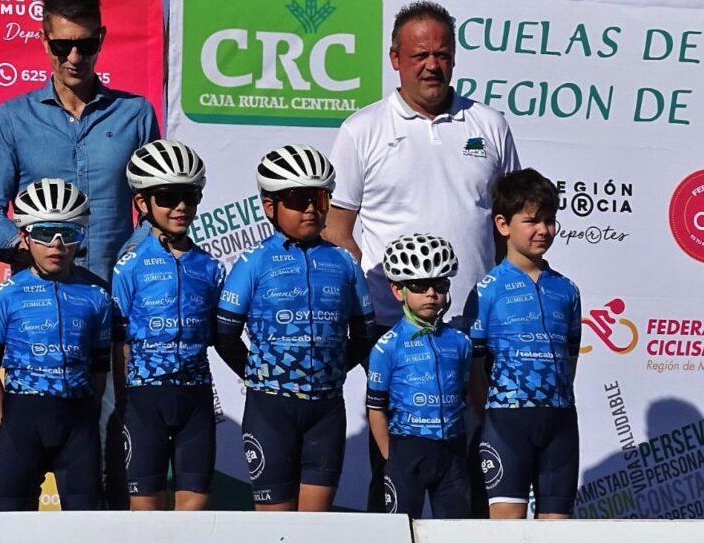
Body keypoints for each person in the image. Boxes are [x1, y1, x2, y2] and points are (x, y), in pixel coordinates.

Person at [324, 0, 520, 513]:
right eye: (420, 55)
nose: (432, 65)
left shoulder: (490, 124)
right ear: (394, 58)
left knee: (478, 477)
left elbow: (509, 227)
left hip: (476, 335)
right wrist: (378, 311)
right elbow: (337, 230)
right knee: (396, 481)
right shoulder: (361, 130)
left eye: (443, 54)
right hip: (397, 334)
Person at [214, 144, 374, 512]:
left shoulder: (344, 262)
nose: (312, 209)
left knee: (314, 530)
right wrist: (261, 376)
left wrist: (329, 373)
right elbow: (224, 335)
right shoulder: (254, 261)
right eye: (299, 199)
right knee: (275, 529)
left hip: (327, 410)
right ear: (270, 207)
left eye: (320, 198)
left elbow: (364, 335)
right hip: (270, 409)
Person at [0, 0, 159, 283]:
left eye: (85, 46)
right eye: (62, 46)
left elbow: (155, 206)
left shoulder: (136, 114)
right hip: (39, 299)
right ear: (44, 40)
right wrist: (36, 251)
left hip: (118, 296)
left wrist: (133, 253)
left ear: (101, 38)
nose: (74, 58)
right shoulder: (12, 118)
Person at [0, 179, 112, 511]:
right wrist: (8, 423)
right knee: (10, 531)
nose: (56, 244)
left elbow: (99, 370)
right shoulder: (3, 295)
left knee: (85, 533)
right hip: (21, 424)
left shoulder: (97, 295)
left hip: (78, 426)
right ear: (23, 236)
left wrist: (85, 415)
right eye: (44, 233)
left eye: (68, 234)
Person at [112, 140, 224, 510]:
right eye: (167, 197)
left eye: (189, 197)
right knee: (145, 513)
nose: (180, 207)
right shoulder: (128, 263)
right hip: (145, 398)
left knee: (195, 507)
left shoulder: (210, 266)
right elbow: (118, 340)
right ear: (142, 203)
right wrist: (124, 398)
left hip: (195, 396)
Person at [470, 168, 581, 519]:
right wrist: (489, 410)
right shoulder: (487, 289)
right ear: (503, 225)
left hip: (560, 422)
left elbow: (571, 357)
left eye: (549, 220)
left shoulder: (567, 289)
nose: (543, 230)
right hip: (505, 423)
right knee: (507, 532)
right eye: (532, 220)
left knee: (557, 530)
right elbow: (475, 366)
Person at [367, 233, 472, 519]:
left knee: (456, 535)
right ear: (398, 291)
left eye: (439, 285)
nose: (430, 293)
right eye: (419, 285)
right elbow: (376, 409)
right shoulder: (386, 346)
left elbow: (464, 397)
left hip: (451, 452)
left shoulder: (461, 343)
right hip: (406, 451)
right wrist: (392, 458)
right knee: (400, 533)